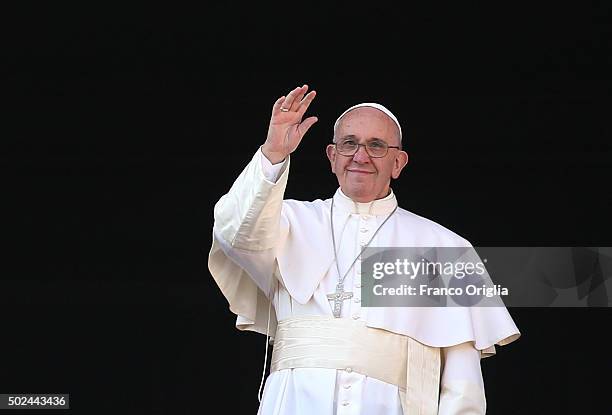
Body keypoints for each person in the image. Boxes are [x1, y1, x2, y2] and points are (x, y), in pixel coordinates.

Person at [208, 84, 520, 414]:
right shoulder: (286, 221)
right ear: (332, 156)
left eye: (376, 146)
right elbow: (234, 233)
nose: (361, 156)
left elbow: (463, 382)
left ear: (398, 163)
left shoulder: (445, 247)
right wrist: (273, 153)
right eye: (349, 144)